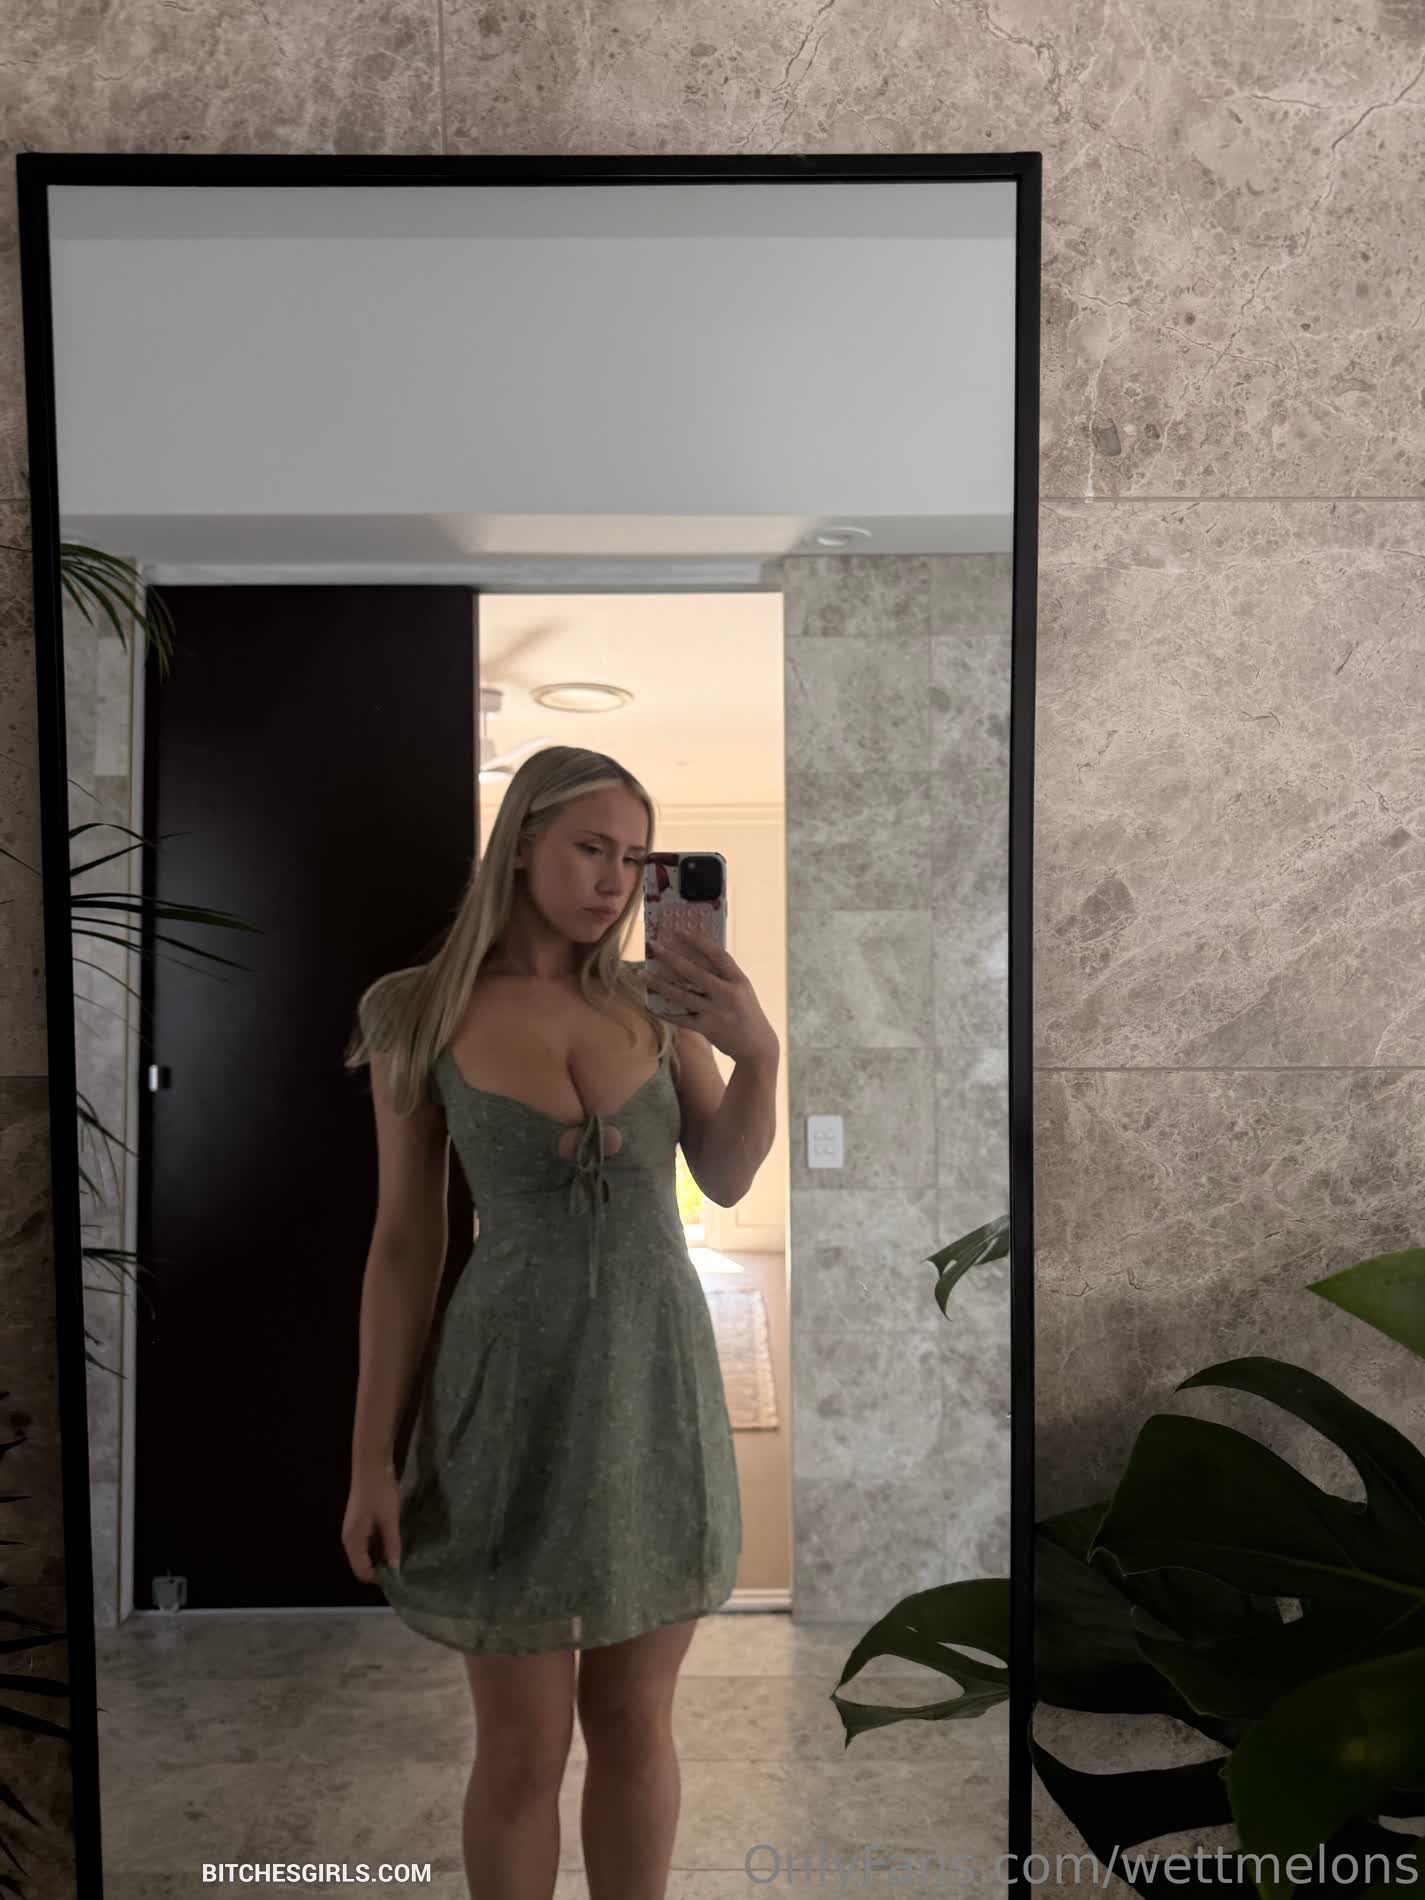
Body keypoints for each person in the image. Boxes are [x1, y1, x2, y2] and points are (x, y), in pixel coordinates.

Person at [339, 744, 780, 1900]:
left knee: (635, 1722)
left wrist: (760, 1055)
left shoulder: (656, 1000)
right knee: (523, 1748)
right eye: (593, 848)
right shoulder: (416, 1010)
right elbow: (405, 1243)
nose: (617, 879)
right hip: (509, 1393)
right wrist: (371, 1457)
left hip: (654, 1386)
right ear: (523, 841)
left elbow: (727, 1173)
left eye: (635, 857)